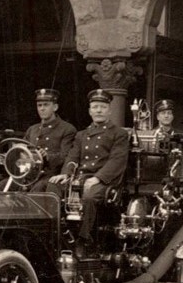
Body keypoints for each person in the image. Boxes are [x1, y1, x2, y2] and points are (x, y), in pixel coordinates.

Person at [51, 88, 130, 245]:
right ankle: (57, 233)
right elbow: (73, 156)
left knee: (89, 196)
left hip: (105, 180)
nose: (98, 110)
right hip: (81, 177)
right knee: (53, 188)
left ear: (109, 111)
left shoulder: (119, 133)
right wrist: (66, 173)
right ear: (89, 111)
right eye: (95, 107)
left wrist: (97, 178)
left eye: (102, 107)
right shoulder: (82, 134)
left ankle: (84, 239)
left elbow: (117, 161)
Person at [24, 88, 77, 191]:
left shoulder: (67, 129)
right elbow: (23, 152)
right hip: (29, 175)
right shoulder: (32, 129)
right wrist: (9, 157)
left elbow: (66, 156)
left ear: (55, 107)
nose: (42, 108)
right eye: (39, 105)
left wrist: (47, 156)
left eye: (46, 105)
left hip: (51, 175)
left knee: (37, 188)